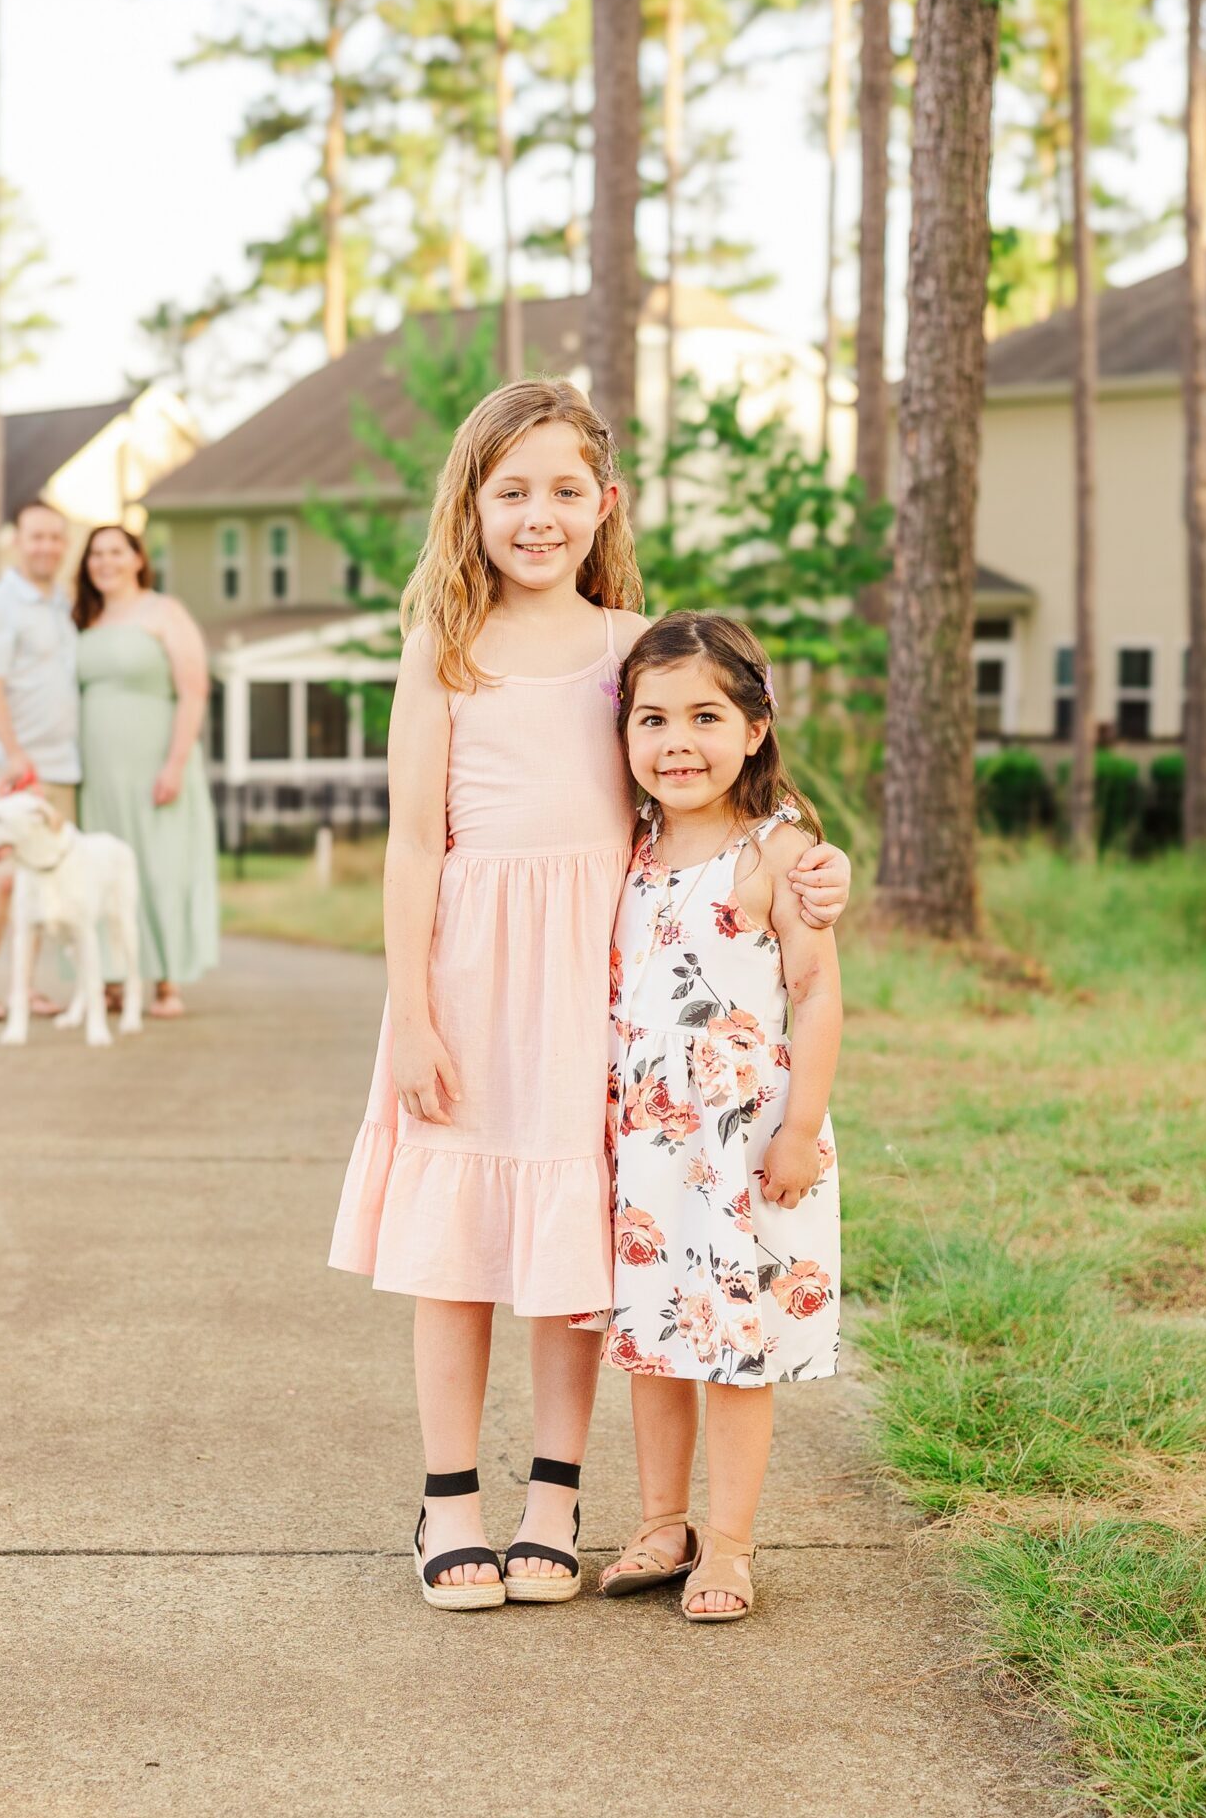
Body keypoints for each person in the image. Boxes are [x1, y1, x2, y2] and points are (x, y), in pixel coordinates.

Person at [327, 377, 852, 1613]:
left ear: (604, 502)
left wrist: (818, 863)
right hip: (466, 973)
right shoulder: (440, 650)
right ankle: (448, 1494)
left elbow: (717, 788)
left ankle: (551, 1495)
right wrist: (411, 1007)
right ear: (472, 503)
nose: (539, 514)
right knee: (454, 1245)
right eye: (512, 490)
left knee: (574, 1235)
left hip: (597, 979)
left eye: (566, 489)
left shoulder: (631, 646)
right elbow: (414, 841)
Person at [592, 612, 842, 1622]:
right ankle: (662, 1521)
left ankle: (730, 1542)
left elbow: (818, 989)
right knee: (655, 1333)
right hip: (650, 1141)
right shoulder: (633, 842)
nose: (676, 740)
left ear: (755, 725)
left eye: (705, 714)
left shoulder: (776, 852)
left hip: (743, 1140)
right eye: (652, 718)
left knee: (735, 1344)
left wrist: (801, 1126)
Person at [73, 524, 218, 1018]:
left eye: (116, 551)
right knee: (101, 873)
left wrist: (175, 763)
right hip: (98, 773)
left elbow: (194, 688)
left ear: (137, 559)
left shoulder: (164, 613)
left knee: (160, 866)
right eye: (96, 554)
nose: (104, 562)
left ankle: (168, 981)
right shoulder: (83, 619)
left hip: (154, 762)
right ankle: (112, 977)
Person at [0, 498, 81, 1022]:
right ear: (16, 541)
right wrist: (13, 753)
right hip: (7, 762)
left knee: (41, 881)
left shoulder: (62, 605)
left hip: (60, 766)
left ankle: (24, 990)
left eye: (55, 537)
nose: (46, 547)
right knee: (3, 875)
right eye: (36, 537)